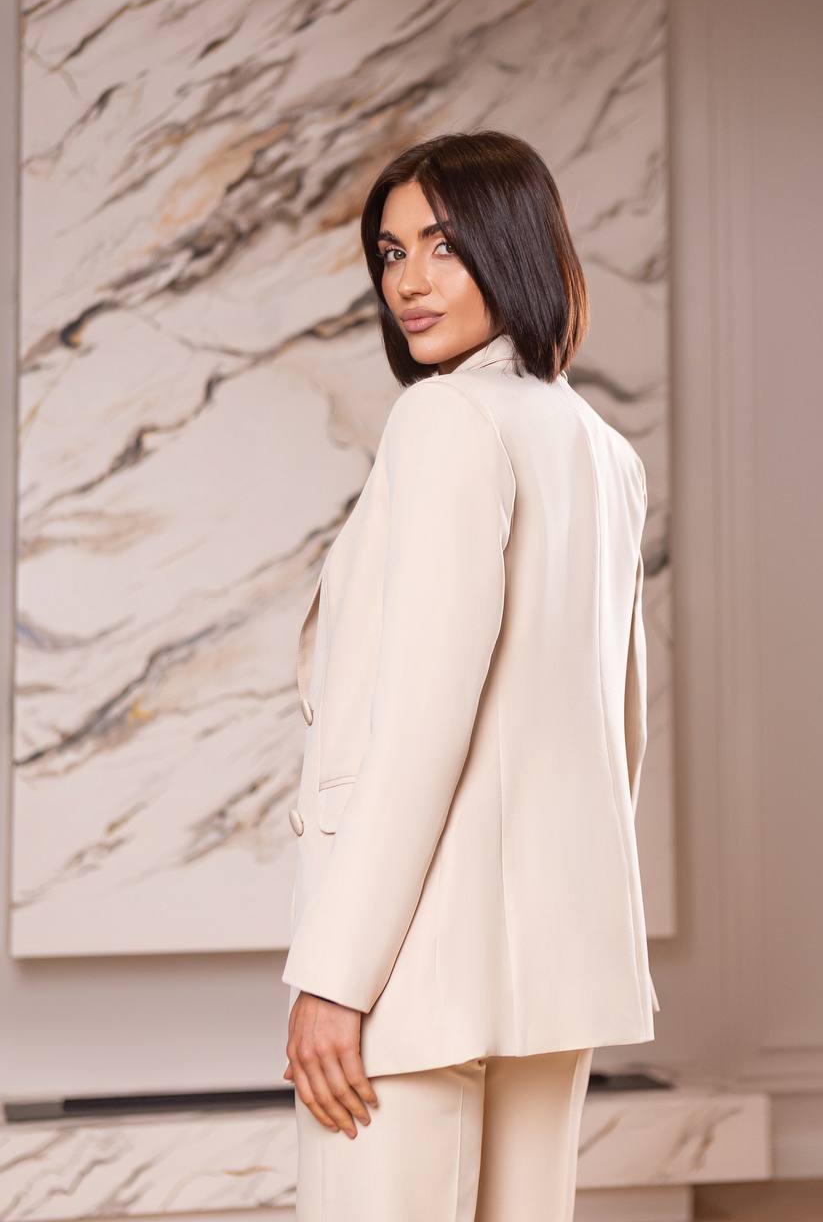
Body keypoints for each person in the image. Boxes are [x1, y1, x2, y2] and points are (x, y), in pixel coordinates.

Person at [280, 130, 660, 1222]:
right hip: (550, 968)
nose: (408, 280)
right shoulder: (600, 447)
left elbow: (418, 729)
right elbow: (616, 732)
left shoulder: (446, 420)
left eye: (442, 246)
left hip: (413, 970)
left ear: (512, 247)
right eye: (391, 251)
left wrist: (336, 975)